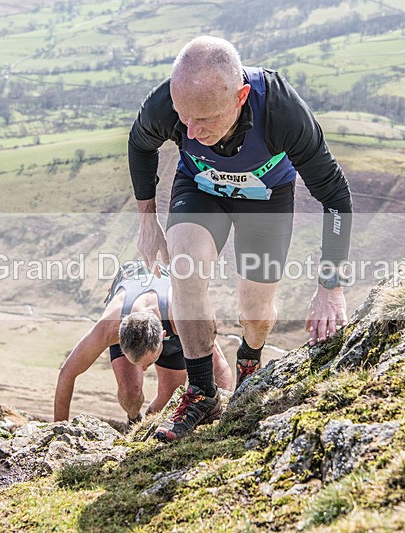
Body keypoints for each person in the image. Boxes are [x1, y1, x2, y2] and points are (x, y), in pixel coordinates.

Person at [127, 36, 353, 441]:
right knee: (186, 271)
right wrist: (148, 221)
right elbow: (140, 144)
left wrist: (330, 287)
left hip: (265, 200)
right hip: (199, 189)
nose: (192, 133)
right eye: (184, 119)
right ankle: (201, 392)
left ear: (241, 96)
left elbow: (335, 196)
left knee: (255, 306)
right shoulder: (169, 104)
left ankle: (249, 358)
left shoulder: (282, 112)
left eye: (206, 120)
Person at [53, 260, 232, 425]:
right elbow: (67, 374)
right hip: (131, 290)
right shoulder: (108, 327)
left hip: (170, 314)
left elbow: (220, 366)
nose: (145, 369)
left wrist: (220, 421)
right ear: (119, 339)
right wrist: (58, 431)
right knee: (130, 392)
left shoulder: (183, 316)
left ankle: (148, 425)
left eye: (149, 363)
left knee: (169, 398)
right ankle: (133, 420)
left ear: (162, 336)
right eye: (139, 364)